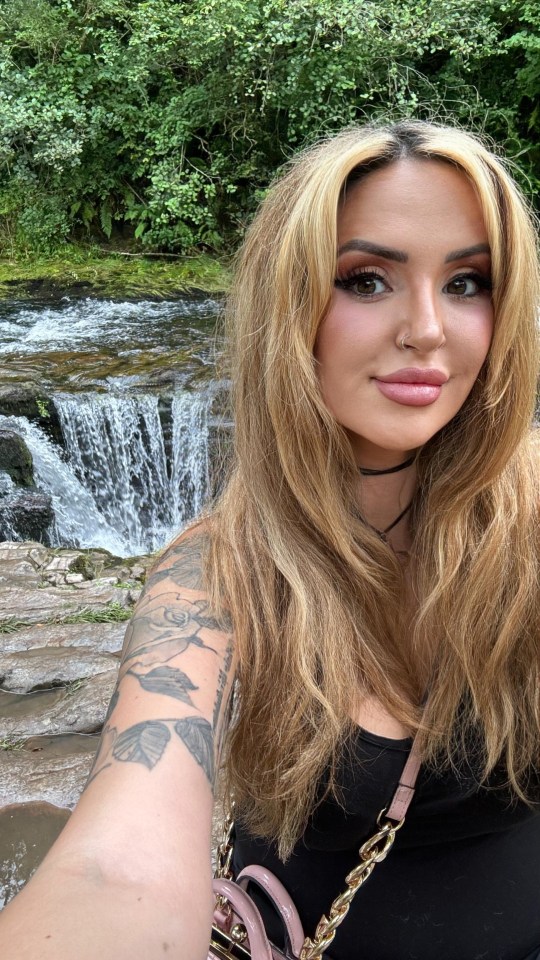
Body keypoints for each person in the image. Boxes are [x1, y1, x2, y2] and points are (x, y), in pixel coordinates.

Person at [1, 119, 539, 960]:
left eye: (468, 282)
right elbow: (119, 864)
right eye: (366, 280)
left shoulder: (531, 521)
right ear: (290, 308)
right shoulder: (215, 572)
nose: (428, 329)